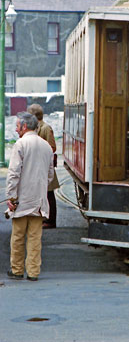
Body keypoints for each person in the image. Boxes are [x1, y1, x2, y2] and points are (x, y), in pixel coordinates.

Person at [6, 112, 54, 281]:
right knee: (35, 238)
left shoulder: (20, 144)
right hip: (39, 200)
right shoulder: (46, 146)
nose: (16, 129)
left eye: (18, 126)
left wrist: (11, 197)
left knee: (18, 237)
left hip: (21, 199)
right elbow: (50, 175)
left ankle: (17, 270)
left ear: (25, 126)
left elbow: (13, 173)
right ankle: (33, 272)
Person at [27, 103, 59, 228]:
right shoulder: (36, 127)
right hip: (39, 166)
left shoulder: (45, 128)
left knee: (49, 193)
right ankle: (44, 218)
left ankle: (51, 221)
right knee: (43, 193)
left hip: (45, 166)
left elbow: (52, 146)